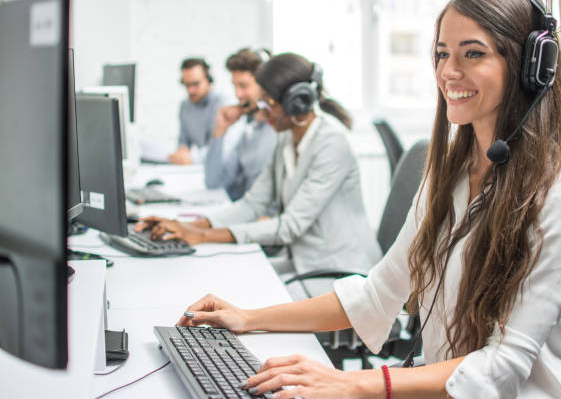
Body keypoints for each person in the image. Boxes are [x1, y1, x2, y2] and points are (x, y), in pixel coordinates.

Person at [173, 0, 561, 398]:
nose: (448, 71)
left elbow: (505, 362)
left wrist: (356, 383)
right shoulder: (450, 176)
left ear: (530, 66)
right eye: (442, 54)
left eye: (472, 53)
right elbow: (379, 293)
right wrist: (248, 319)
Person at [137, 53, 381, 278]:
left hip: (342, 272)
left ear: (296, 102)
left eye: (267, 103)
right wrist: (186, 226)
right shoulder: (286, 137)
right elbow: (253, 204)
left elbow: (289, 226)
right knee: (225, 279)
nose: (261, 111)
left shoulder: (332, 142)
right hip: (304, 262)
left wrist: (200, 236)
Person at [205, 48, 277, 201]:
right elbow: (214, 182)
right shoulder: (250, 131)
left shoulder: (277, 130)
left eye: (243, 86)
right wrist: (219, 130)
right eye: (235, 86)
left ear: (265, 85)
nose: (238, 94)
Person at [168, 57, 227, 165]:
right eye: (186, 85)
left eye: (195, 84)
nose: (190, 90)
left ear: (208, 79)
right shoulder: (185, 106)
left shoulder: (223, 103)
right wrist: (182, 151)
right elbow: (183, 140)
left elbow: (221, 147)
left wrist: (193, 158)